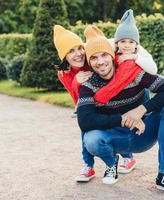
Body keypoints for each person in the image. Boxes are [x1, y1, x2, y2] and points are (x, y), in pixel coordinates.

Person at [77, 24, 164, 198]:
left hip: (143, 134)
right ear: (90, 62)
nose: (101, 61)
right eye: (94, 58)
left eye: (104, 54)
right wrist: (124, 118)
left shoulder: (133, 72)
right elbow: (85, 121)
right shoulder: (89, 85)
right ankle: (112, 163)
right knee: (91, 139)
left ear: (112, 56)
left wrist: (141, 110)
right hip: (115, 138)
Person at [53, 25, 157, 181]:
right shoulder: (63, 73)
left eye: (79, 48)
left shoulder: (93, 55)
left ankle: (128, 157)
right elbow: (76, 99)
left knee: (115, 118)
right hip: (92, 101)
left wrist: (134, 56)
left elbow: (124, 46)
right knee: (86, 123)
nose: (78, 54)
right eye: (71, 51)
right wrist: (76, 83)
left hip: (118, 97)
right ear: (64, 57)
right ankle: (89, 165)